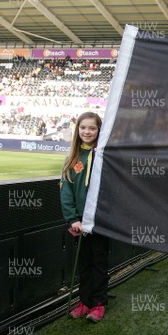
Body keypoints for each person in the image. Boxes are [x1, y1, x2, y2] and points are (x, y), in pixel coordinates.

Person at [60, 111, 109, 323]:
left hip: (99, 222)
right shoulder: (73, 158)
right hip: (79, 223)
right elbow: (66, 191)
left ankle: (98, 304)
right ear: (77, 130)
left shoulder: (104, 156)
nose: (87, 132)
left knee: (99, 263)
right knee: (84, 264)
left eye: (92, 128)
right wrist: (72, 219)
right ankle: (84, 301)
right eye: (83, 128)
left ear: (99, 130)